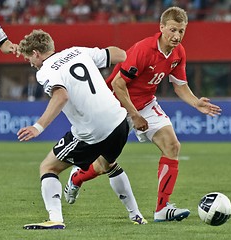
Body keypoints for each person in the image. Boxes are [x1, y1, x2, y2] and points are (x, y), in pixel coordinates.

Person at [65, 6, 222, 222]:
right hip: (115, 106)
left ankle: (162, 209)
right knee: (103, 165)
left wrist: (196, 103)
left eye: (181, 31)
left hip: (146, 103)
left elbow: (180, 86)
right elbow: (119, 84)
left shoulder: (178, 53)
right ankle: (77, 178)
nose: (177, 36)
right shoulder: (143, 50)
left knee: (172, 146)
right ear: (162, 28)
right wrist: (134, 115)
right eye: (173, 30)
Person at [17, 29, 147, 230]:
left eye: (29, 59)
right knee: (109, 164)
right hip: (120, 121)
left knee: (48, 167)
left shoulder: (45, 71)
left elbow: (61, 97)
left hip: (92, 130)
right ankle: (137, 216)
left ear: (36, 53)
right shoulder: (77, 51)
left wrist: (38, 127)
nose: (31, 63)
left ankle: (55, 219)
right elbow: (120, 54)